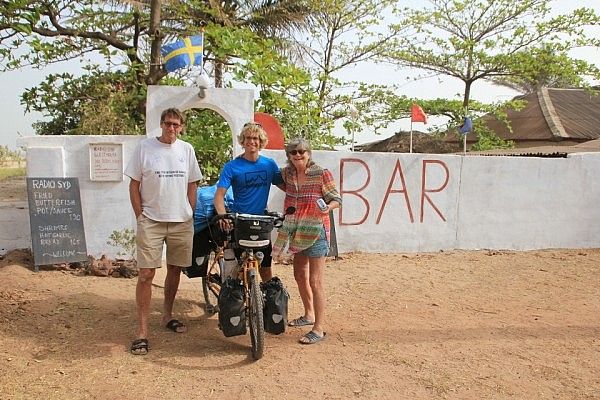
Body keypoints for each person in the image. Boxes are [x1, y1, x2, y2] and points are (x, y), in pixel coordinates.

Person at [124, 108, 202, 355]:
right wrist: (140, 215)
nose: (171, 128)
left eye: (176, 125)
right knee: (146, 273)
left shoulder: (186, 150)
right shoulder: (145, 148)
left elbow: (193, 183)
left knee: (175, 269)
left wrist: (189, 210)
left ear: (181, 127)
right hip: (152, 220)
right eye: (168, 123)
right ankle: (142, 331)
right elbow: (134, 185)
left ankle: (167, 315)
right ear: (161, 124)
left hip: (180, 220)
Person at [272, 138, 341, 345]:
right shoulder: (288, 174)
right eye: (294, 153)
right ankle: (309, 314)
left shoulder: (321, 173)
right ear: (289, 157)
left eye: (302, 151)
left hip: (316, 231)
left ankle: (318, 328)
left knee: (315, 280)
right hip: (296, 231)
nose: (298, 155)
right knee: (299, 274)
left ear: (309, 153)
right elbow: (278, 181)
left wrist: (327, 208)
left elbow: (336, 199)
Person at [213, 122, 282, 282]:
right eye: (248, 138)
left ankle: (264, 304)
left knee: (266, 269)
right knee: (237, 270)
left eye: (256, 138)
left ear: (262, 141)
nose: (252, 141)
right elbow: (219, 196)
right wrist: (223, 216)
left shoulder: (269, 164)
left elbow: (285, 186)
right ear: (243, 141)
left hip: (262, 222)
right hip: (240, 222)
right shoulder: (232, 166)